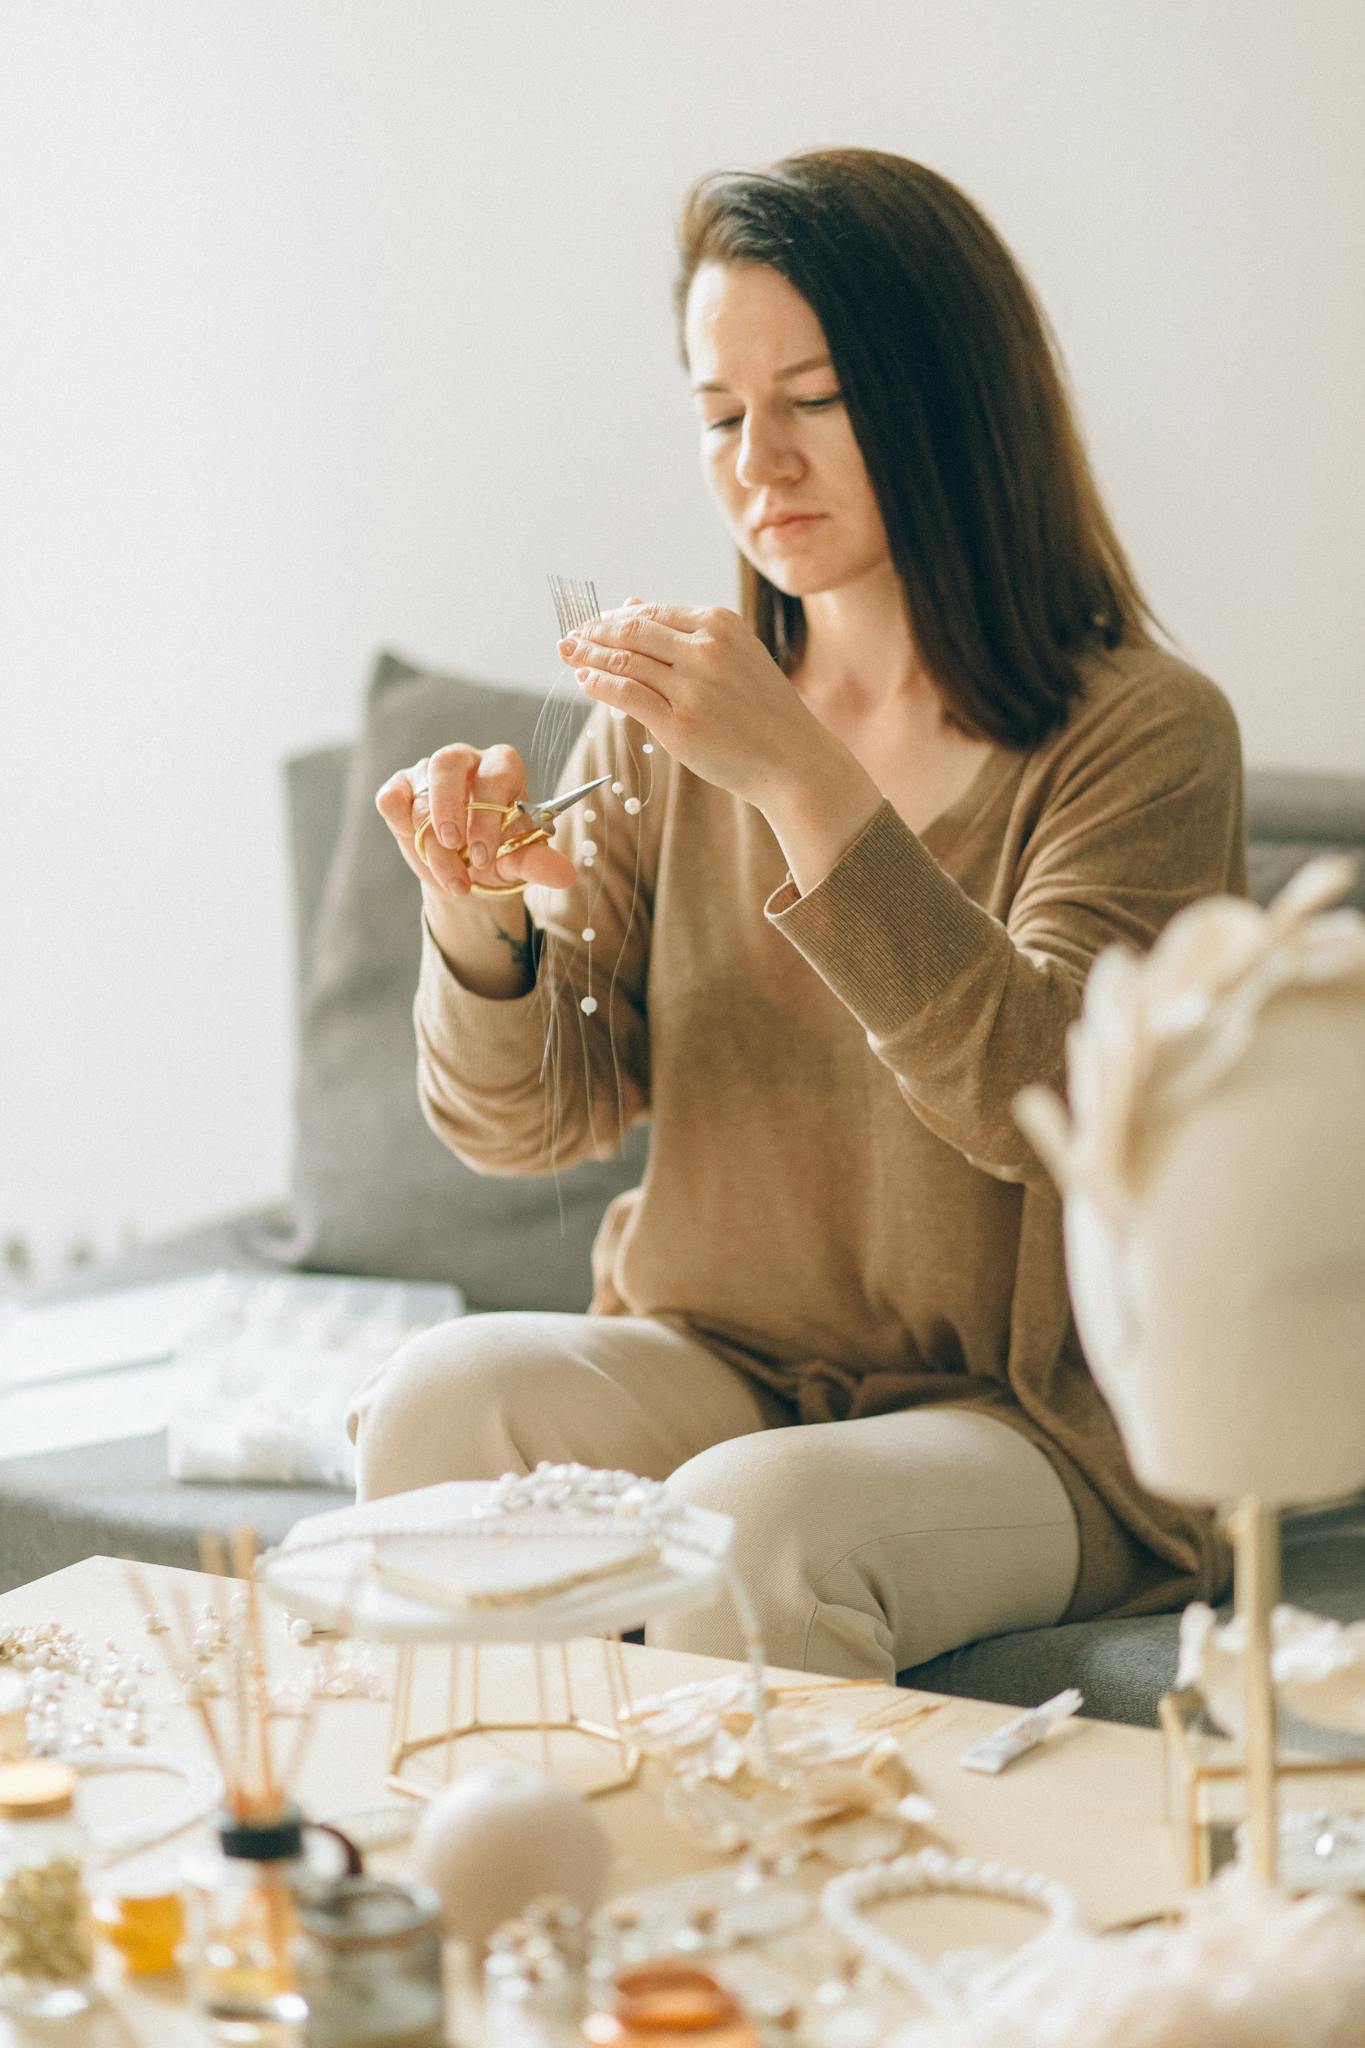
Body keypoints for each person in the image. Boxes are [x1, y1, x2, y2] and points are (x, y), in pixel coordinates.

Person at [349, 148, 1244, 1683]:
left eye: (813, 401)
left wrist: (802, 780)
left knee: (748, 1524)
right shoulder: (663, 728)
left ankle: (757, 1908)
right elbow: (534, 1123)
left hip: (1030, 1422)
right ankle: (536, 1872)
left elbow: (1043, 1107)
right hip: (725, 1363)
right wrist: (480, 932)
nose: (756, 461)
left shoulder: (1141, 736)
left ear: (953, 399)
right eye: (717, 414)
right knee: (437, 1396)